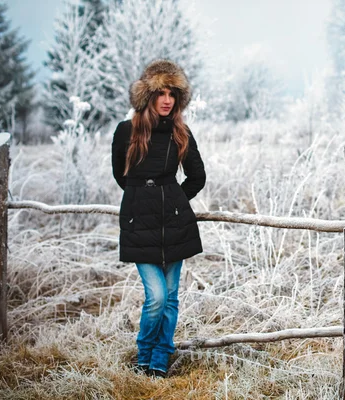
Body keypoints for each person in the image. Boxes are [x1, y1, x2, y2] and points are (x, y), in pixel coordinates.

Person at [111, 59, 206, 378]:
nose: (167, 100)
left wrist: (174, 200)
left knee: (171, 297)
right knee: (157, 297)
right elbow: (120, 175)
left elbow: (197, 176)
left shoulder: (181, 132)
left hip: (174, 225)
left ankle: (160, 358)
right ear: (147, 96)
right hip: (141, 226)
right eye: (160, 92)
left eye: (172, 94)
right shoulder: (127, 131)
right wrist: (143, 200)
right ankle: (144, 352)